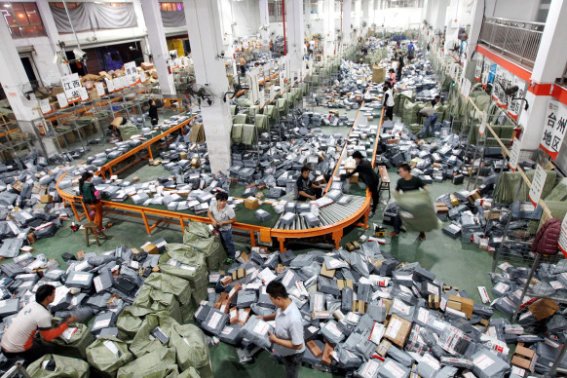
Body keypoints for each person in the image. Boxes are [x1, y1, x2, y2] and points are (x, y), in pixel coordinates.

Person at [1, 285, 77, 365]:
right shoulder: (43, 314)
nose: (55, 296)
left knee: (37, 341)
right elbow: (48, 337)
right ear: (48, 298)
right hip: (16, 348)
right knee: (50, 349)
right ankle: (36, 364)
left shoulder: (31, 305)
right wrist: (66, 324)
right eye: (54, 294)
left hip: (4, 344)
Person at [260, 281, 305, 378]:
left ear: (278, 298)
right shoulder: (285, 304)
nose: (271, 302)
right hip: (283, 347)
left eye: (271, 299)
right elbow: (278, 314)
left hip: (293, 355)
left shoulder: (294, 319)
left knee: (291, 372)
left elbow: (298, 345)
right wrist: (264, 318)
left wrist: (275, 340)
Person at [393, 163, 427, 240]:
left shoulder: (416, 180)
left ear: (407, 171)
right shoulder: (400, 181)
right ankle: (396, 231)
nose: (399, 173)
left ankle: (422, 234)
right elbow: (397, 190)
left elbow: (425, 187)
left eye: (401, 171)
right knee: (398, 217)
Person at [347, 151, 380, 216]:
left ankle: (373, 210)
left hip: (372, 181)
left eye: (355, 159)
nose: (355, 161)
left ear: (357, 158)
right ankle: (374, 205)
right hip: (374, 178)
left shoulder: (361, 165)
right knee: (375, 194)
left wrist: (346, 176)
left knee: (374, 195)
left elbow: (355, 171)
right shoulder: (366, 161)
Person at [208, 192, 237, 263]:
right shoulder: (213, 205)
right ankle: (224, 255)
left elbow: (233, 220)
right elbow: (209, 213)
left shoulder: (229, 209)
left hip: (226, 230)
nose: (223, 203)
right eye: (221, 201)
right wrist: (213, 220)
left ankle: (231, 258)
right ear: (217, 200)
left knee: (229, 244)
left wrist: (223, 222)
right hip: (217, 228)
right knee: (220, 242)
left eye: (225, 201)